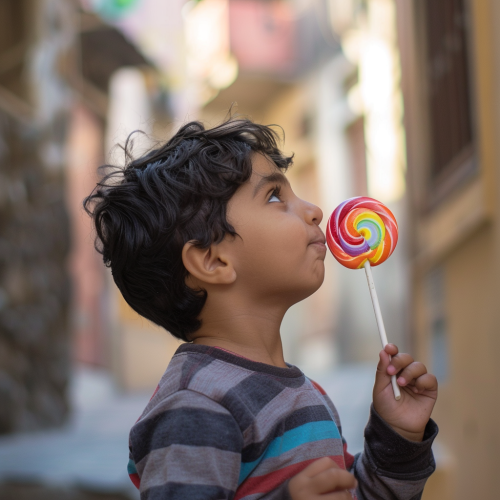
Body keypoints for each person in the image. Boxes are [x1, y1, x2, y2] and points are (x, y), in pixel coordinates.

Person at [84, 118, 438, 500]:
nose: (315, 210)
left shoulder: (301, 390)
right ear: (213, 261)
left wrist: (397, 437)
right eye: (274, 197)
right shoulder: (195, 407)